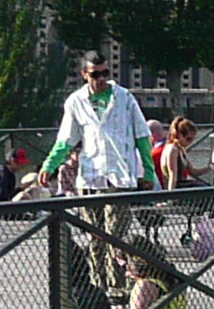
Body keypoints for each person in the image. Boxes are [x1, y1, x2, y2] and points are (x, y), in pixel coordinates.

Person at [41, 57, 155, 291]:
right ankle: (99, 286)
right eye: (95, 75)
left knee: (115, 235)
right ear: (84, 74)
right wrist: (49, 165)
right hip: (91, 176)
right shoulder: (76, 101)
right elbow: (66, 139)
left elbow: (142, 136)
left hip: (120, 176)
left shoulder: (124, 98)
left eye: (105, 73)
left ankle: (118, 287)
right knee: (95, 237)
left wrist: (148, 171)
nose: (101, 79)